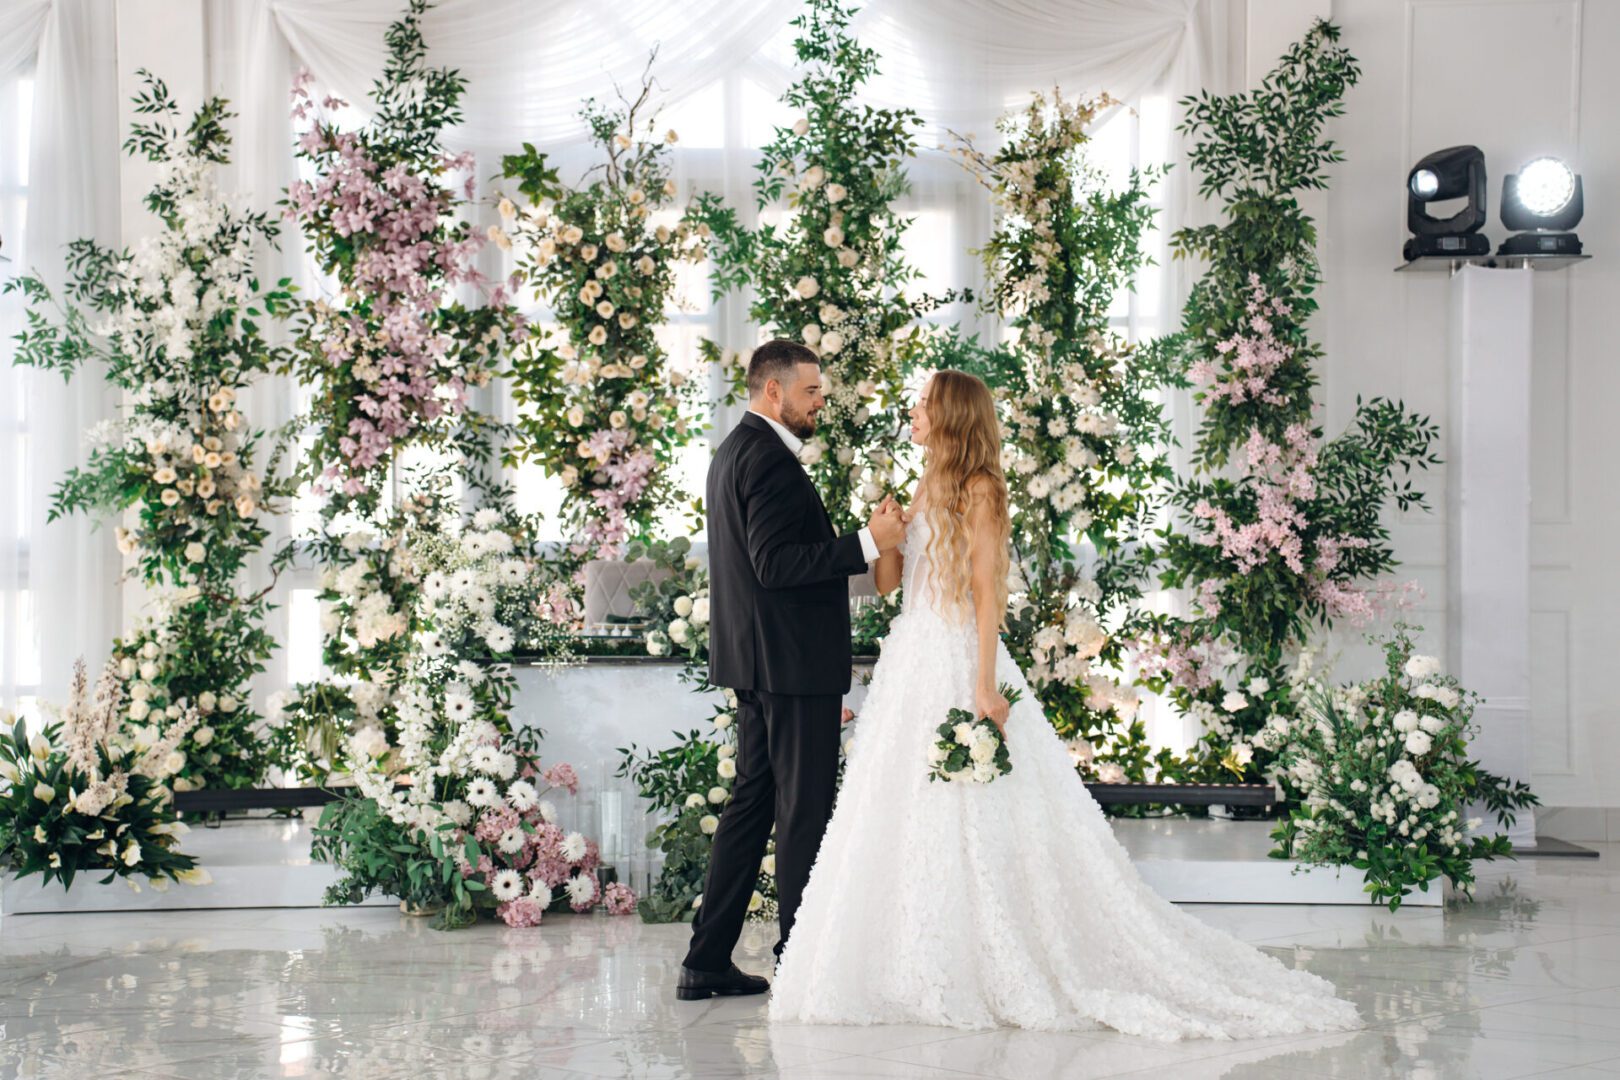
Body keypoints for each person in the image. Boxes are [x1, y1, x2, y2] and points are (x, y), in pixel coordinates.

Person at [768, 369, 1361, 1039]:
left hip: (960, 656)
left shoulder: (982, 489)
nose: (912, 412)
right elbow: (888, 585)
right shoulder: (925, 482)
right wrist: (886, 533)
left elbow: (989, 595)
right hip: (911, 659)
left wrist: (985, 685)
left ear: (952, 415)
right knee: (899, 807)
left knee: (978, 808)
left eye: (924, 405)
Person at [676, 339, 907, 1002]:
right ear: (772, 391)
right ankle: (802, 961)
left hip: (758, 661)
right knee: (803, 811)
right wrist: (870, 542)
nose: (819, 403)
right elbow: (775, 566)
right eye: (810, 392)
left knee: (751, 807)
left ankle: (706, 960)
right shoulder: (769, 460)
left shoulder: (735, 452)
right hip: (791, 665)